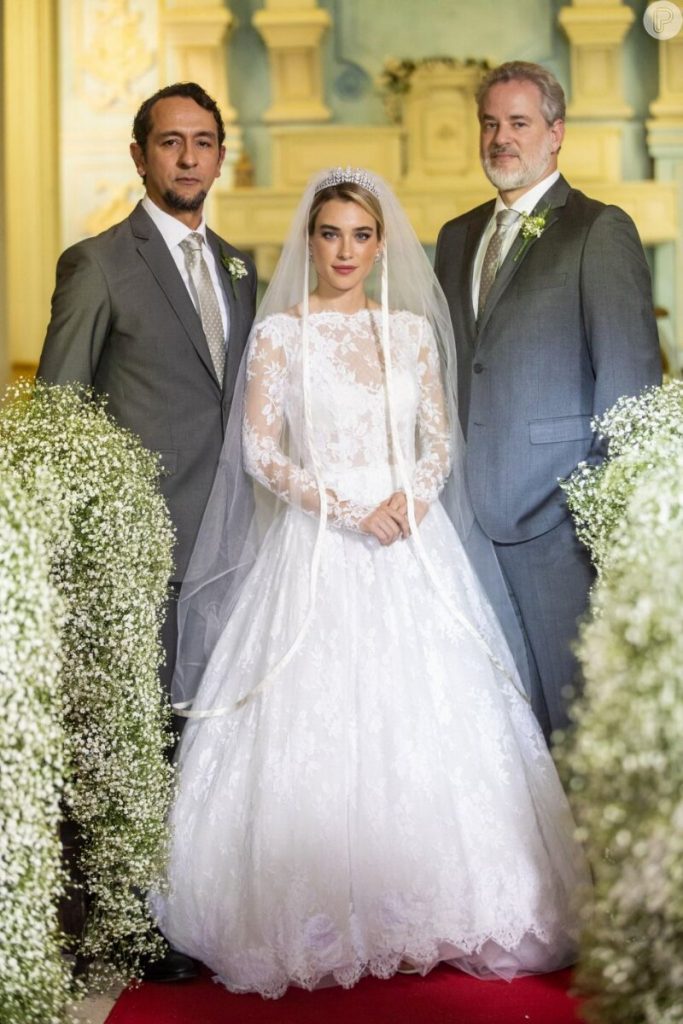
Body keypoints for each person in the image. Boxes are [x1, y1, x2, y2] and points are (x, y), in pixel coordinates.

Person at [152, 167, 589, 998]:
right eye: (329, 235)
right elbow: (261, 453)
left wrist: (411, 498)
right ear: (309, 242)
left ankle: (437, 907)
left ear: (380, 243)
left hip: (412, 545)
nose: (345, 250)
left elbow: (438, 439)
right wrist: (348, 509)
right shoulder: (281, 333)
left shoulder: (409, 335)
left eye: (360, 235)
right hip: (318, 549)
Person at [38, 81, 257, 982]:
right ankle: (123, 922)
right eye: (171, 142)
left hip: (232, 545)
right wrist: (85, 534)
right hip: (137, 541)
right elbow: (58, 412)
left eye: (204, 141)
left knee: (203, 735)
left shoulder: (244, 265)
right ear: (139, 155)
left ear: (219, 153)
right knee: (128, 736)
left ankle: (188, 905)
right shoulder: (98, 262)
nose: (189, 157)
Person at [435, 62, 661, 740]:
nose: (500, 138)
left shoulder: (597, 230)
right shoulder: (453, 237)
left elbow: (628, 393)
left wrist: (584, 507)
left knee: (570, 722)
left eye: (519, 123)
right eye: (490, 124)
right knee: (491, 730)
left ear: (555, 133)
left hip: (555, 528)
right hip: (463, 528)